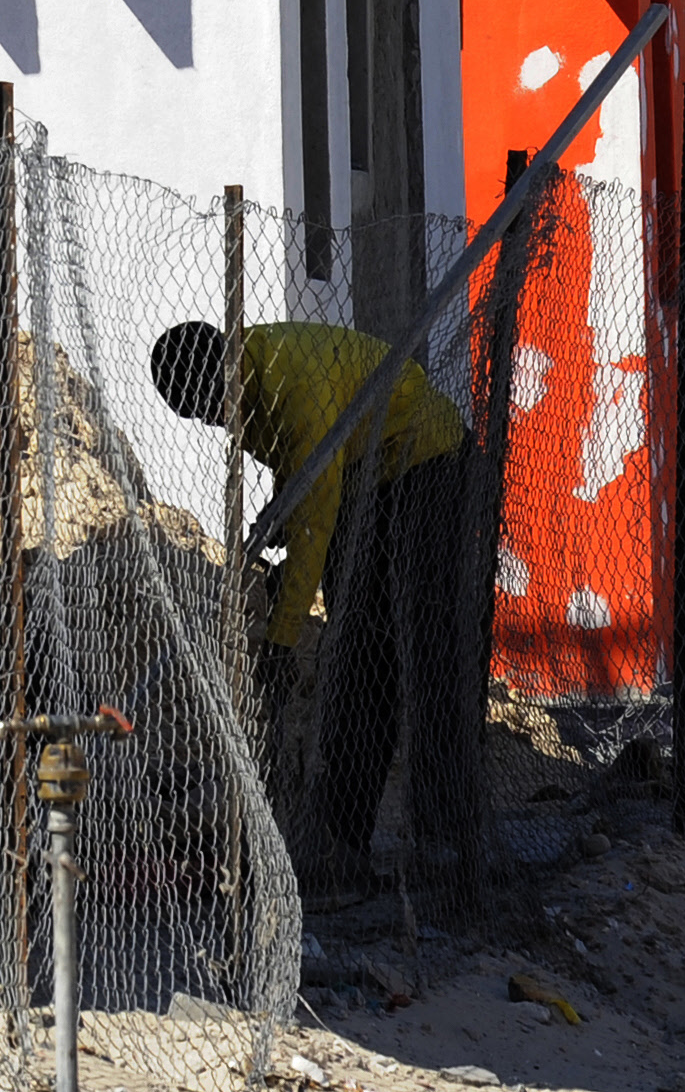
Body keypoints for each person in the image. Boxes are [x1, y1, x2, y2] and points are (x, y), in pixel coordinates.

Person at [150, 319, 475, 873]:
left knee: (427, 656)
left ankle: (447, 840)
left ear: (224, 372)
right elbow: (303, 470)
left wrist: (281, 638)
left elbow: (315, 521)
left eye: (211, 406)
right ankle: (344, 842)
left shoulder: (293, 383)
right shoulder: (251, 386)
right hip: (367, 474)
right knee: (358, 655)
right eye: (200, 416)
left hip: (429, 463)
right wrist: (283, 507)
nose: (214, 421)